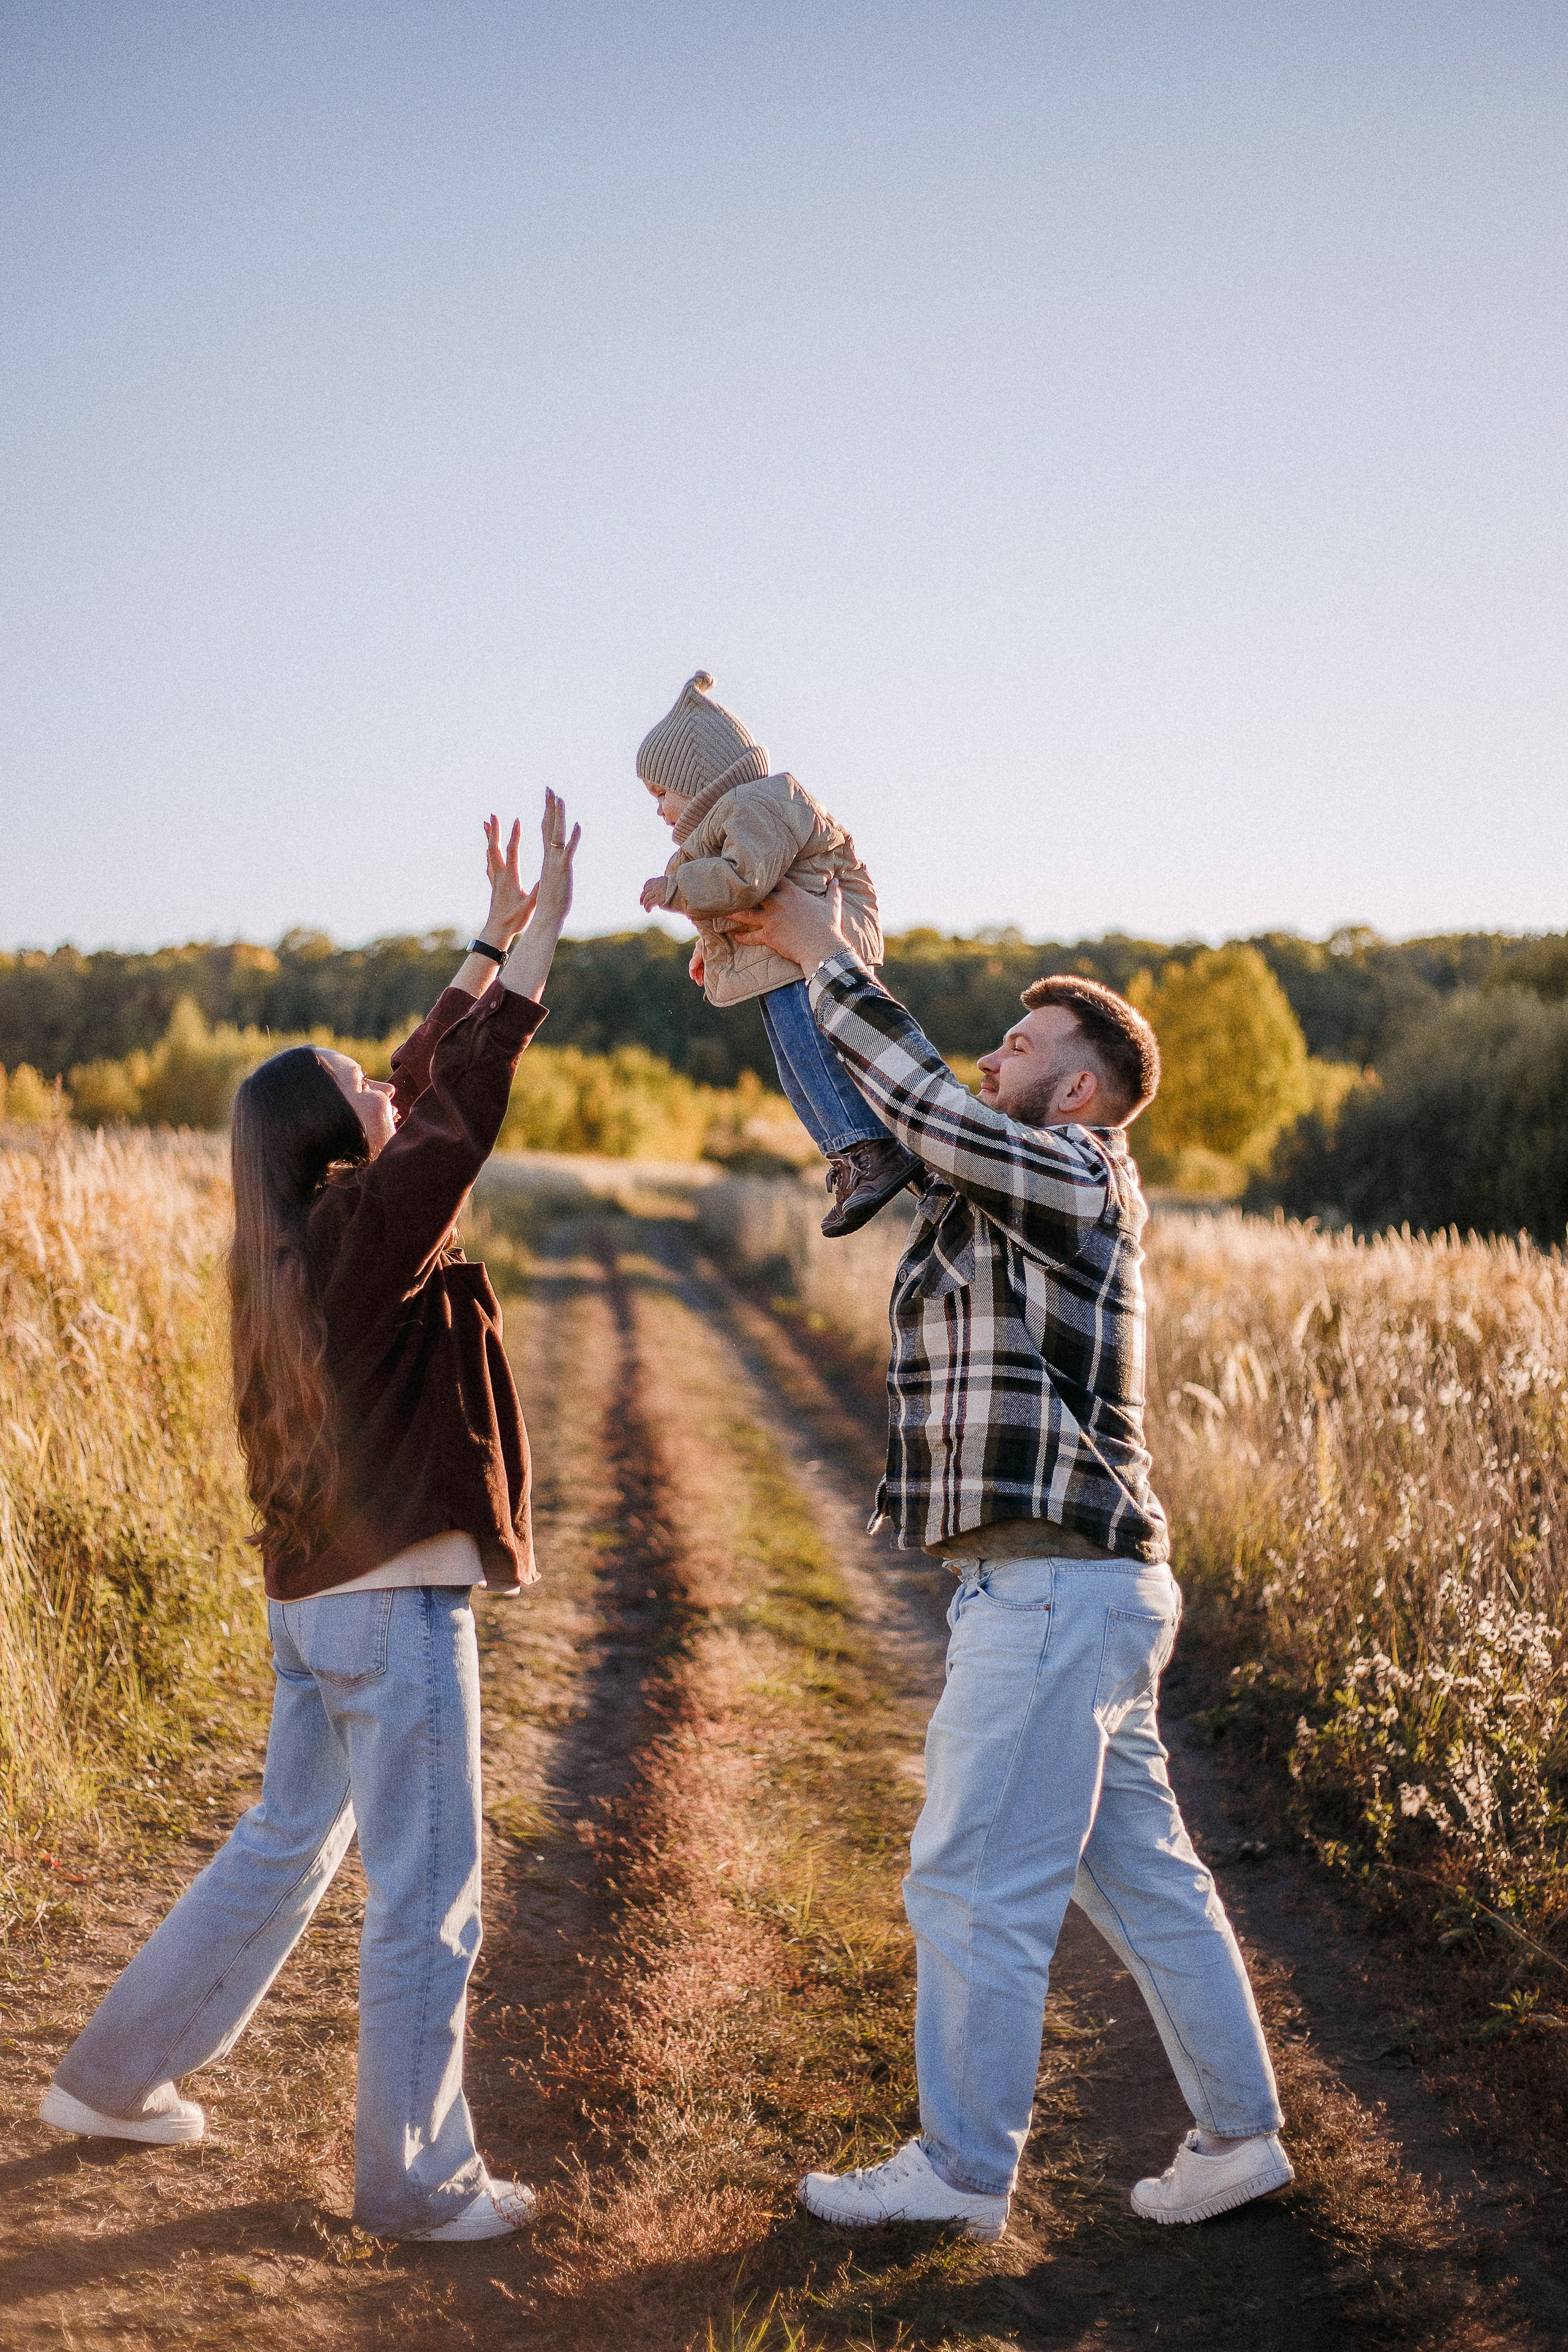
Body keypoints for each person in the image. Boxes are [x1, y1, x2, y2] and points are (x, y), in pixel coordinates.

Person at [40, 793, 581, 2245]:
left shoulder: (287, 1242)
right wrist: (536, 949)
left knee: (287, 1842)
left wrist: (486, 937)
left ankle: (111, 2076)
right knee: (428, 1898)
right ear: (339, 1133)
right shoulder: (366, 1231)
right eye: (359, 1080)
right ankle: (415, 2182)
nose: (384, 1077)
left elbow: (419, 1076)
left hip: (312, 1604)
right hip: (390, 1607)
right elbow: (455, 1110)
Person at [725, 877, 1292, 2243]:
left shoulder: (1080, 1177)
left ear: (1084, 1092)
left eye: (1022, 1050)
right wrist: (793, 970)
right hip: (1070, 1587)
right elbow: (880, 1125)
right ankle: (1241, 2137)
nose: (994, 1060)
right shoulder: (1001, 1193)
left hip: (1049, 1587)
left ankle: (960, 2175)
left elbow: (922, 1106)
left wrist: (828, 960)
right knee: (1137, 1872)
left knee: (971, 1877)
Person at [636, 669, 918, 1235]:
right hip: (793, 951)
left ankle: (869, 1147)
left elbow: (746, 880)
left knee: (812, 1051)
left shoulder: (758, 802)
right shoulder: (736, 816)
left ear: (701, 779)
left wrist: (676, 891)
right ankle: (849, 1155)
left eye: (661, 793)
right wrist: (711, 945)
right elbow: (750, 890)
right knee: (796, 1066)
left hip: (815, 948)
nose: (658, 809)